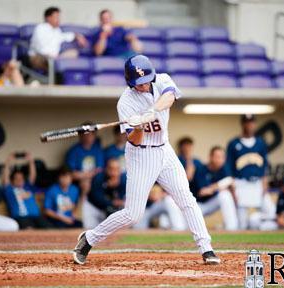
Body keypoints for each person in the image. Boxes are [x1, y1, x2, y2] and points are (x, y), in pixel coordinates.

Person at [73, 54, 220, 265]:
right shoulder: (126, 102)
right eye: (138, 83)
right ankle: (89, 238)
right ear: (130, 82)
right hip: (141, 154)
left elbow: (170, 96)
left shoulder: (161, 80)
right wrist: (138, 125)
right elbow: (133, 140)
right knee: (133, 214)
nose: (143, 85)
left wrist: (151, 111)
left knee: (186, 199)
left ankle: (206, 248)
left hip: (165, 150)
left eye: (146, 80)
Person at [226, 114, 275, 230]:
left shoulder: (260, 143)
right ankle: (242, 245)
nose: (249, 125)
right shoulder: (233, 143)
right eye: (247, 122)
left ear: (255, 124)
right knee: (241, 223)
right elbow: (229, 167)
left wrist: (265, 182)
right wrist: (232, 186)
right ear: (242, 124)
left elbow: (264, 165)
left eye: (252, 122)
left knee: (271, 212)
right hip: (241, 183)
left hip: (257, 183)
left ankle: (255, 223)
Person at [66, 123, 104, 228]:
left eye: (90, 134)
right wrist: (85, 176)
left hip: (97, 183)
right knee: (84, 184)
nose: (87, 137)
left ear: (94, 135)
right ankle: (78, 213)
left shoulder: (97, 149)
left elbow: (99, 169)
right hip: (79, 185)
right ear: (80, 135)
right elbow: (71, 174)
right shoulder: (74, 151)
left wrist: (85, 176)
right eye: (85, 134)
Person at [29, 6, 88, 71]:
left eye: (59, 17)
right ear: (48, 18)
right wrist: (50, 56)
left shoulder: (57, 30)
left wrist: (78, 36)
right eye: (56, 17)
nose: (59, 19)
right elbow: (40, 46)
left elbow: (65, 36)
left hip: (55, 58)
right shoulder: (40, 28)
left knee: (73, 53)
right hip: (39, 57)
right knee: (53, 61)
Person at [2, 152, 51, 229]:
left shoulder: (28, 187)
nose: (19, 180)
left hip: (36, 217)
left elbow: (33, 175)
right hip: (21, 218)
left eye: (21, 178)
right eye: (16, 178)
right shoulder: (9, 189)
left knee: (49, 229)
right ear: (12, 181)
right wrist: (8, 161)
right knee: (29, 230)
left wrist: (31, 161)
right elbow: (5, 177)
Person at [195, 146, 238, 230]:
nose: (220, 160)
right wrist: (219, 186)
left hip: (212, 203)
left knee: (225, 195)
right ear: (210, 157)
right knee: (182, 227)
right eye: (217, 157)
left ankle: (232, 228)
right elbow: (203, 192)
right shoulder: (201, 169)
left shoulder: (224, 169)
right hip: (198, 205)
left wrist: (217, 187)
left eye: (222, 157)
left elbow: (231, 182)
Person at [86, 158, 126, 228]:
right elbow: (97, 198)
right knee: (90, 228)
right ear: (106, 169)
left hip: (109, 209)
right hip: (94, 208)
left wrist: (116, 187)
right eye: (111, 169)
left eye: (117, 169)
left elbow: (121, 198)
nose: (114, 172)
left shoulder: (123, 179)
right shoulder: (99, 177)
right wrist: (107, 187)